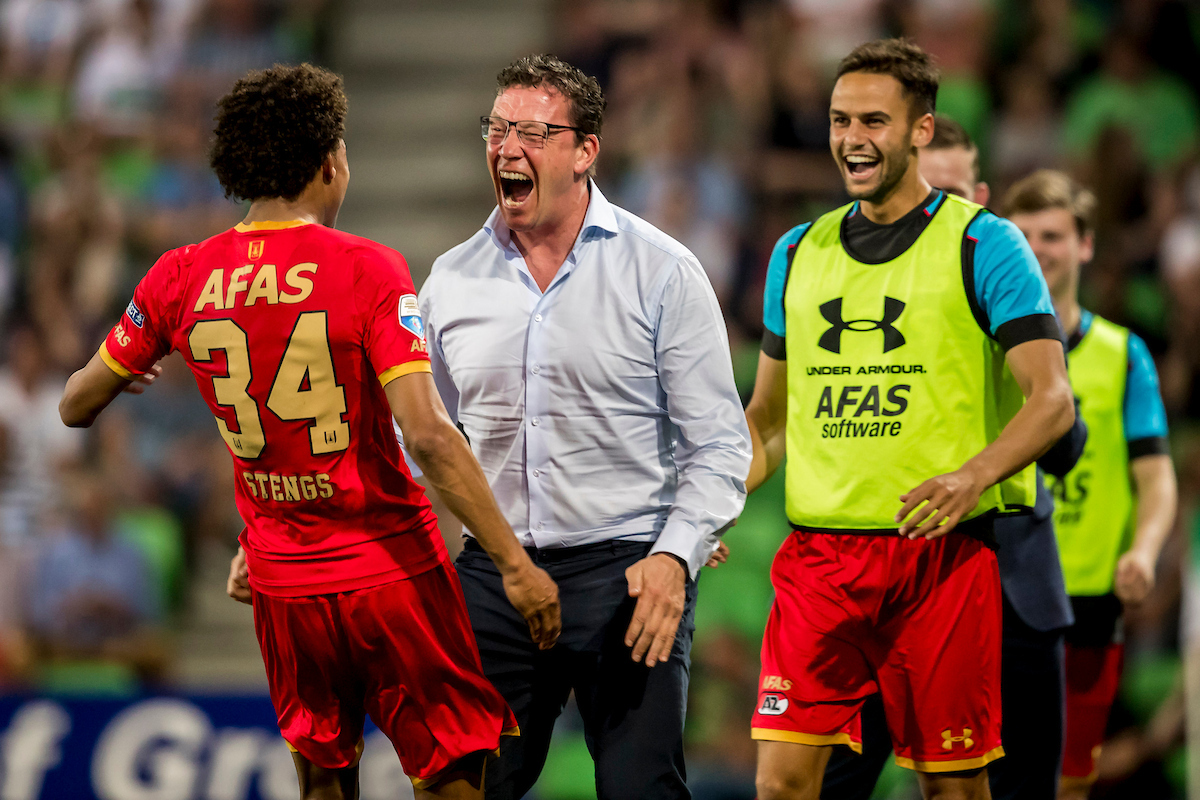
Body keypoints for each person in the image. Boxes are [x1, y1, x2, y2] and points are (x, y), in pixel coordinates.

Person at [59, 63, 562, 800]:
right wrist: (514, 565)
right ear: (329, 163)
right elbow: (427, 435)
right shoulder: (367, 268)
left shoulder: (179, 277)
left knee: (322, 781)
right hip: (391, 569)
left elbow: (76, 404)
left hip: (283, 580)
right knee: (450, 773)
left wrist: (128, 369)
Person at [743, 39, 1076, 800]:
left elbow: (1052, 399)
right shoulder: (796, 252)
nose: (851, 139)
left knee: (951, 790)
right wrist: (707, 508)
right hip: (821, 562)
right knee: (781, 784)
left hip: (941, 559)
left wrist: (973, 477)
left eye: (873, 121)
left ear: (921, 129)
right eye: (839, 120)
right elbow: (766, 421)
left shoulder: (986, 243)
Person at [414, 54, 751, 800]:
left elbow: (720, 445)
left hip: (629, 572)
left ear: (585, 151)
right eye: (497, 129)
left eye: (532, 133)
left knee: (641, 789)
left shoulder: (663, 271)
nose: (507, 148)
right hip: (497, 572)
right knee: (462, 789)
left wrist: (676, 555)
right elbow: (417, 442)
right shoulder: (450, 281)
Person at [820, 117, 1087, 800]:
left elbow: (1066, 444)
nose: (930, 212)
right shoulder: (857, 297)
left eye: (950, 195)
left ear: (981, 200)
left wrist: (1021, 336)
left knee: (1020, 788)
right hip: (886, 579)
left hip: (1012, 583)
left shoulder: (1003, 292)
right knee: (834, 782)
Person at [1002, 170, 1178, 800]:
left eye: (1052, 235)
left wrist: (1144, 552)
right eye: (1022, 236)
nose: (1037, 249)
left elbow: (1155, 475)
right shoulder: (984, 349)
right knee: (975, 776)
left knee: (1070, 782)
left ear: (1085, 245)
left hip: (1088, 599)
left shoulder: (1123, 355)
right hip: (1000, 588)